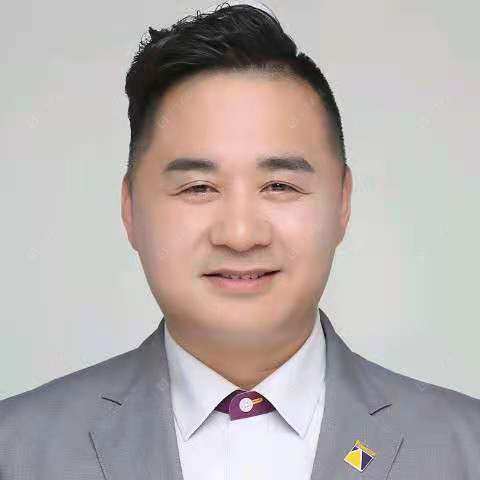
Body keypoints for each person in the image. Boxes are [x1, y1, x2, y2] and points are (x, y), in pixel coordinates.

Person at [1, 2, 479, 479]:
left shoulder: (464, 447)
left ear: (342, 202)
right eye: (198, 188)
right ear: (130, 209)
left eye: (280, 186)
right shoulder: (17, 449)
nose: (240, 235)